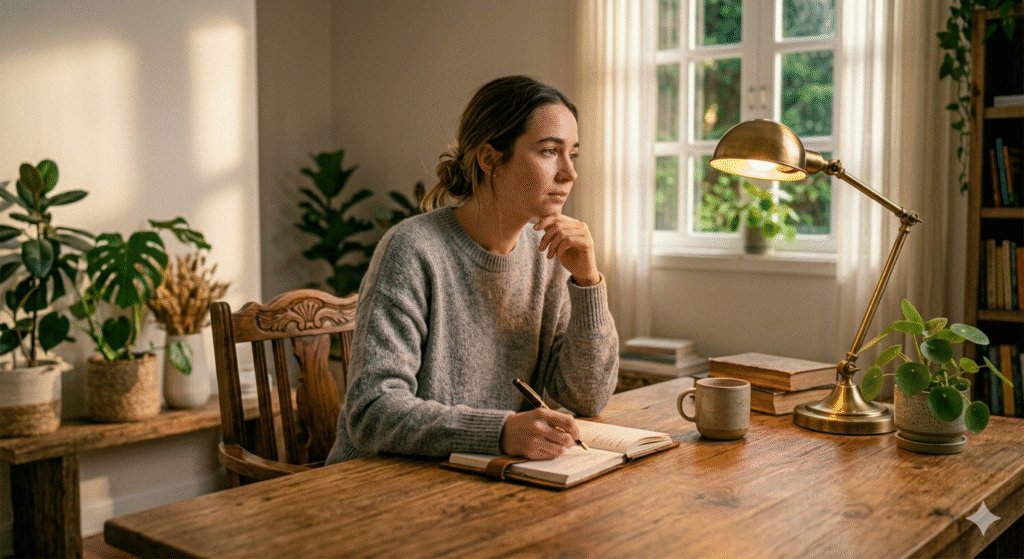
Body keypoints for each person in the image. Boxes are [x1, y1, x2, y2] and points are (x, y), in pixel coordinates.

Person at [325, 75, 619, 465]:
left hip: (476, 481)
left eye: (573, 154)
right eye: (550, 151)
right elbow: (372, 410)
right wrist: (499, 432)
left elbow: (586, 396)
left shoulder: (549, 256)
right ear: (490, 159)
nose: (569, 173)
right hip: (374, 487)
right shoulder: (412, 250)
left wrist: (587, 282)